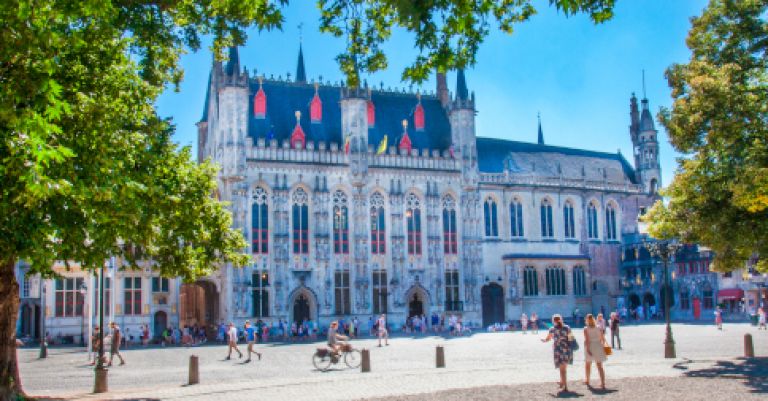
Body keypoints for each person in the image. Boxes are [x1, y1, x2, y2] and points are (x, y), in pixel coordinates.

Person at [541, 314, 573, 393]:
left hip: (558, 350)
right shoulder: (567, 328)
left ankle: (565, 387)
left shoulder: (552, 329)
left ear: (553, 321)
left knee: (562, 369)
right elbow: (571, 338)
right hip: (566, 349)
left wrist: (543, 340)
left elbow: (547, 339)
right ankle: (562, 382)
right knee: (564, 369)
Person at [583, 314, 607, 389]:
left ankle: (587, 380)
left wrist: (587, 349)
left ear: (586, 320)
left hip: (590, 345)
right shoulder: (599, 327)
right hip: (598, 345)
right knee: (599, 366)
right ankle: (602, 383)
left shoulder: (586, 328)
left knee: (588, 364)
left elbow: (587, 340)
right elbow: (603, 338)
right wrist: (602, 346)